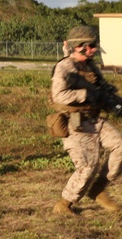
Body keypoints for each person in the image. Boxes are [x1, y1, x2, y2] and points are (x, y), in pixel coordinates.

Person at [50, 25, 122, 214]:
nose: (93, 49)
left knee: (120, 146)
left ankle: (98, 189)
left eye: (94, 45)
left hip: (95, 120)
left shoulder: (91, 67)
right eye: (90, 46)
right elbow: (58, 95)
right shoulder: (65, 67)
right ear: (78, 46)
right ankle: (64, 204)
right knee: (88, 166)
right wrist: (85, 95)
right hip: (75, 122)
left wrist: (112, 103)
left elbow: (103, 93)